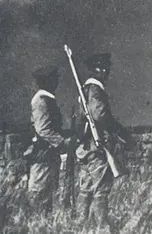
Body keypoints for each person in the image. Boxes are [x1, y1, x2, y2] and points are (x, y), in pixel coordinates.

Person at [76, 52, 132, 228]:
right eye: (101, 69)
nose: (106, 72)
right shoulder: (95, 90)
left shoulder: (85, 89)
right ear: (95, 70)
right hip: (98, 145)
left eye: (106, 68)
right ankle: (102, 227)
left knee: (86, 188)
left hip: (87, 146)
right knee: (101, 189)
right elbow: (100, 115)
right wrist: (119, 131)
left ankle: (82, 225)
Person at [26, 65, 75, 214]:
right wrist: (62, 142)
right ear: (47, 81)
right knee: (38, 193)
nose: (57, 82)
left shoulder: (46, 99)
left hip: (48, 155)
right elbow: (43, 129)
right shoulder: (41, 101)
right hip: (42, 155)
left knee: (47, 194)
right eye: (54, 79)